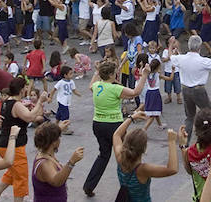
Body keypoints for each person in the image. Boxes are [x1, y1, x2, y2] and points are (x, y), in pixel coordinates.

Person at [83, 60, 147, 197]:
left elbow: (90, 85)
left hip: (98, 124)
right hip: (114, 126)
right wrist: (145, 75)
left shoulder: (96, 86)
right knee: (125, 155)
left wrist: (96, 71)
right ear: (111, 75)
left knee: (103, 155)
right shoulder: (115, 89)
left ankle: (89, 185)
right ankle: (129, 185)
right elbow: (136, 92)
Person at [170, 35, 211, 143]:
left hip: (186, 89)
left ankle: (186, 141)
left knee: (189, 117)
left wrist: (170, 45)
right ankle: (210, 137)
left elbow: (171, 57)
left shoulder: (181, 59)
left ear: (189, 46)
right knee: (208, 114)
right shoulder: (202, 61)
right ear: (200, 47)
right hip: (199, 90)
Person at [112, 111, 181, 201]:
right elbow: (172, 169)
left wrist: (132, 117)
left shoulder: (120, 158)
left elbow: (116, 134)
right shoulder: (143, 170)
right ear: (144, 150)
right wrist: (171, 141)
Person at [31, 121, 85, 201]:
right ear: (54, 143)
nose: (60, 140)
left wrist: (57, 129)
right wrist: (71, 162)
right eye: (58, 137)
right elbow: (57, 181)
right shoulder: (45, 164)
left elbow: (46, 136)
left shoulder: (43, 153)